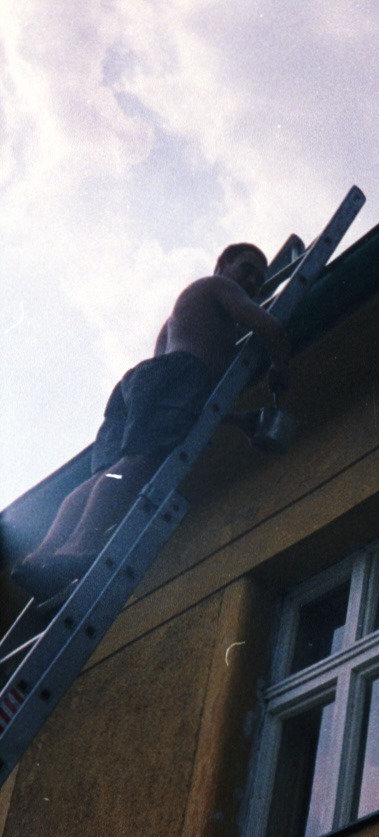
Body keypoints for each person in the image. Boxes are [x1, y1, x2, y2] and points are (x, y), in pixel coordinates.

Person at [13, 243, 290, 603]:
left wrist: (238, 421)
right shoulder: (217, 287)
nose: (254, 280)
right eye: (248, 268)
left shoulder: (181, 317)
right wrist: (282, 369)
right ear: (222, 264)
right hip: (177, 374)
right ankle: (76, 550)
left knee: (107, 474)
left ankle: (42, 557)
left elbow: (175, 409)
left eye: (260, 277)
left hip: (144, 382)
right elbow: (268, 326)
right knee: (140, 462)